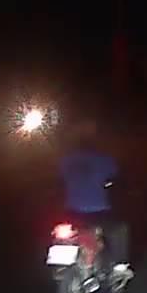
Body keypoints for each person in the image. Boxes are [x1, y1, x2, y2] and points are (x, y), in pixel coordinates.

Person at [59, 116, 132, 283]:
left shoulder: (66, 161)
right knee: (120, 229)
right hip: (97, 212)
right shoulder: (103, 159)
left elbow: (60, 179)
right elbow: (115, 177)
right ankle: (120, 269)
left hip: (71, 212)